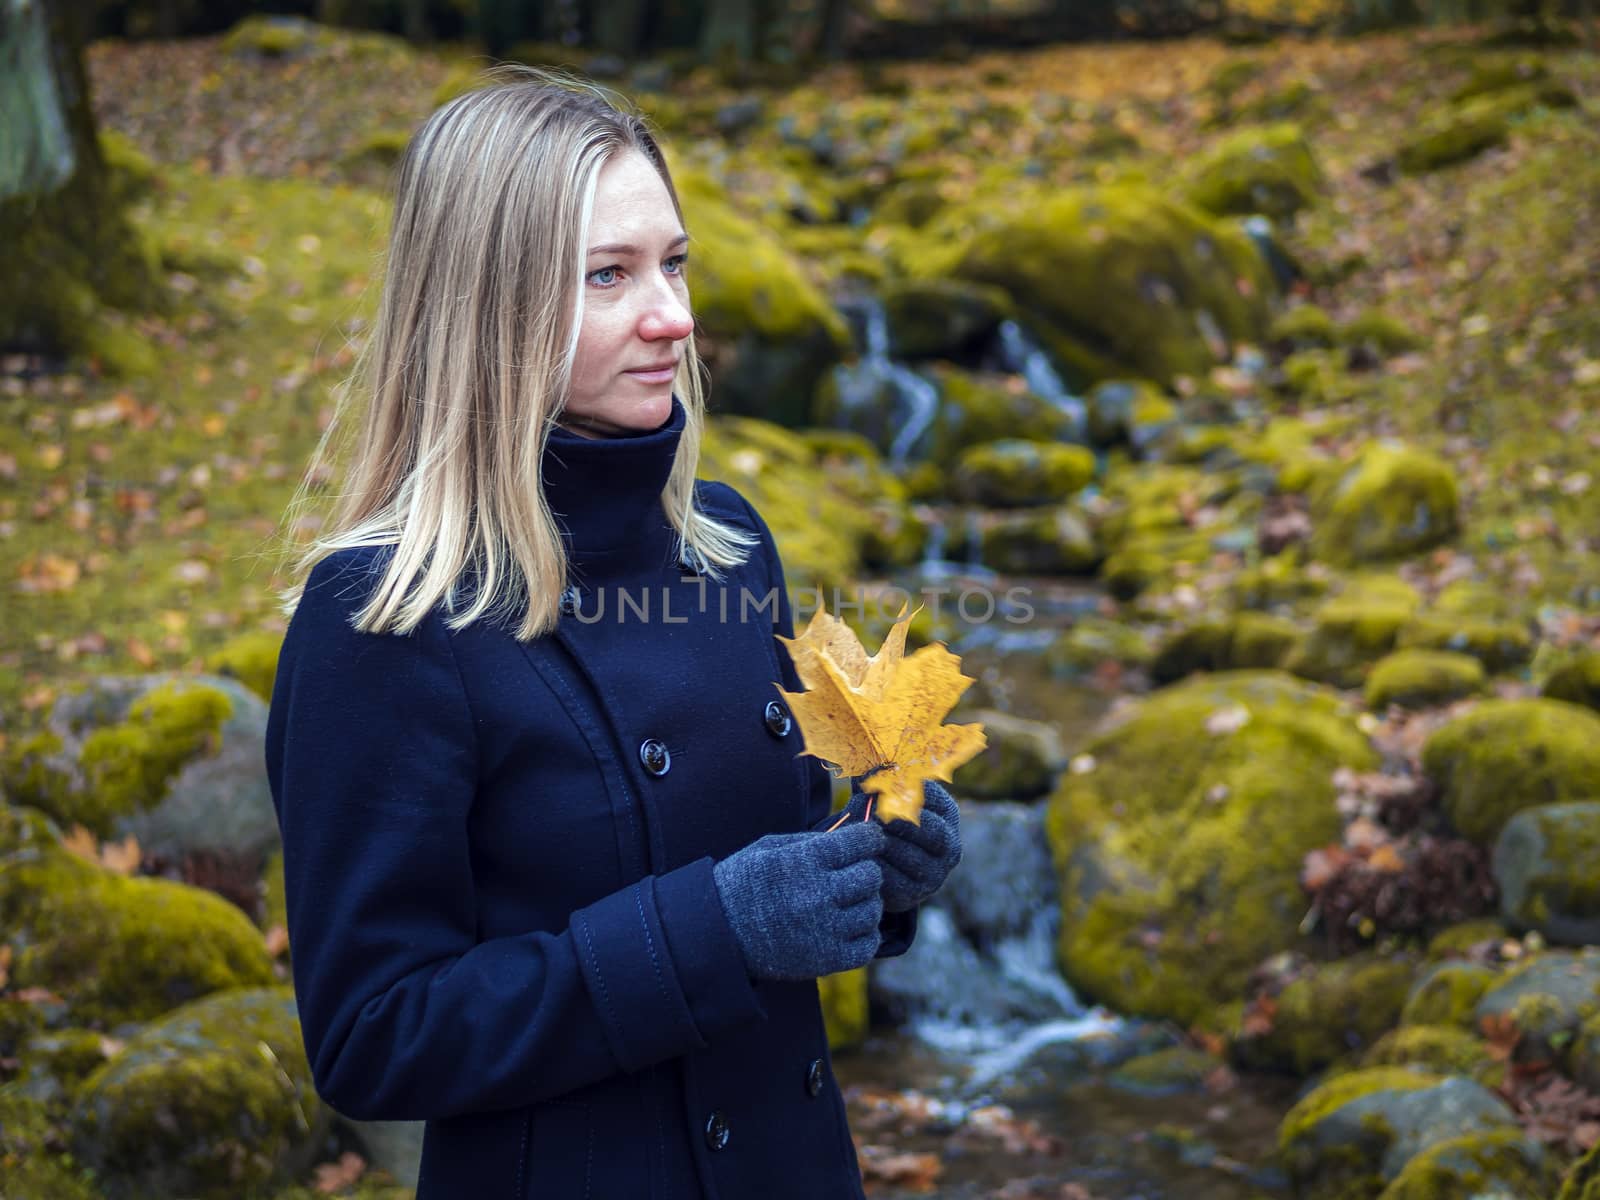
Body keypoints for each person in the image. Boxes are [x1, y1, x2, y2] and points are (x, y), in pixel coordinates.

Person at [262, 65, 963, 1199]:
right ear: (485, 305)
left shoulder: (727, 543)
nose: (674, 318)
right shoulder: (382, 617)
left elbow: (772, 862)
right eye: (609, 275)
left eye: (674, 262)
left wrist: (875, 866)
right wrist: (716, 931)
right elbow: (372, 1035)